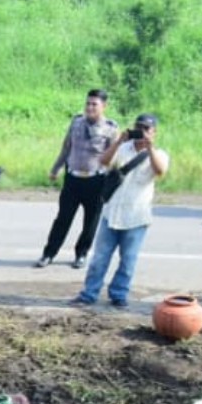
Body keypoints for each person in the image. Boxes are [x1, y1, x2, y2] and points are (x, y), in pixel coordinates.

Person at [71, 114, 168, 310]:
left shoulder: (159, 154)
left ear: (154, 132)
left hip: (137, 216)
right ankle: (89, 293)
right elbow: (104, 162)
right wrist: (118, 142)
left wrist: (149, 147)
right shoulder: (123, 148)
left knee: (128, 261)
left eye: (146, 129)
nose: (141, 132)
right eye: (138, 127)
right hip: (112, 213)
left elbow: (160, 171)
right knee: (99, 258)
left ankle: (119, 294)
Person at [38, 89, 121, 268]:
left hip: (95, 180)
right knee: (63, 219)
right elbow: (66, 148)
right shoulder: (76, 122)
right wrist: (55, 168)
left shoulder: (111, 128)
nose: (90, 107)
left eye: (94, 104)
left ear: (103, 106)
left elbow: (113, 157)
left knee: (90, 221)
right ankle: (49, 253)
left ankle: (81, 254)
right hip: (73, 179)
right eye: (88, 103)